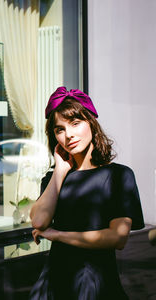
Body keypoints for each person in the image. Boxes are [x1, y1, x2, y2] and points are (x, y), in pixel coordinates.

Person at [29, 86, 144, 300]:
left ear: (91, 123)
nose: (68, 135)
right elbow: (38, 221)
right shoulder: (54, 178)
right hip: (52, 282)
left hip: (93, 282)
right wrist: (60, 171)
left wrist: (58, 235)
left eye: (75, 123)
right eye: (59, 129)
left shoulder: (118, 175)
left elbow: (117, 238)